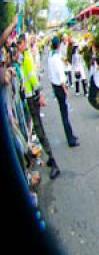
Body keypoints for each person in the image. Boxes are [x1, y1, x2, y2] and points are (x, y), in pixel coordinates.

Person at [19, 34, 60, 179]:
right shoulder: (26, 57)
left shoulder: (27, 57)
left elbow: (33, 79)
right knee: (39, 128)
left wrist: (39, 95)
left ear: (24, 43)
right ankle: (51, 159)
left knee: (39, 130)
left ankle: (54, 162)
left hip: (32, 98)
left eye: (19, 44)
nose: (18, 47)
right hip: (31, 97)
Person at [48, 36, 79, 147]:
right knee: (65, 113)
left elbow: (50, 75)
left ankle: (71, 135)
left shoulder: (51, 57)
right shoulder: (56, 58)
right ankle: (70, 139)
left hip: (55, 86)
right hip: (60, 87)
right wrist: (65, 88)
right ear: (59, 45)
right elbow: (61, 75)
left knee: (64, 112)